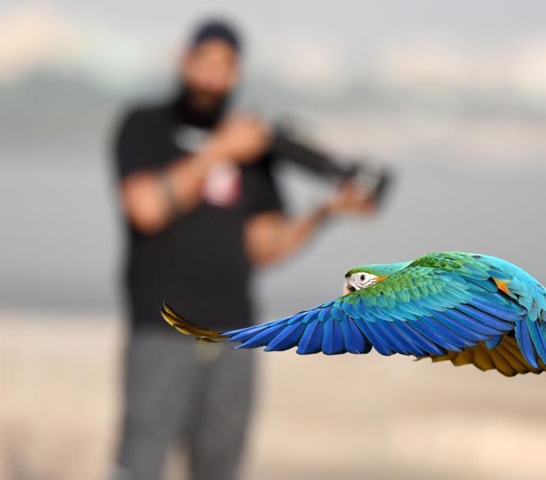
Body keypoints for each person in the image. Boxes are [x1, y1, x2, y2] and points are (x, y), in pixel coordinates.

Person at [110, 20, 375, 480]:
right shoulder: (146, 125)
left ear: (238, 73)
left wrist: (325, 212)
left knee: (221, 468)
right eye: (205, 61)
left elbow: (264, 247)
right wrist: (218, 152)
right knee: (140, 463)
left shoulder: (252, 148)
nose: (213, 74)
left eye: (225, 64)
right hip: (158, 331)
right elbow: (145, 209)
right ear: (184, 61)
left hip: (234, 334)